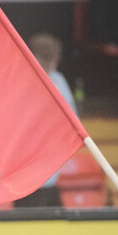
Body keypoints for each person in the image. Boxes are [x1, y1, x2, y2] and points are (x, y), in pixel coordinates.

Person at [14, 33, 78, 208]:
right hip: (25, 166)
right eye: (50, 60)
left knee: (55, 215)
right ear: (35, 58)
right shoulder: (20, 81)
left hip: (49, 166)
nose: (54, 65)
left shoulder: (58, 79)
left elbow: (71, 117)